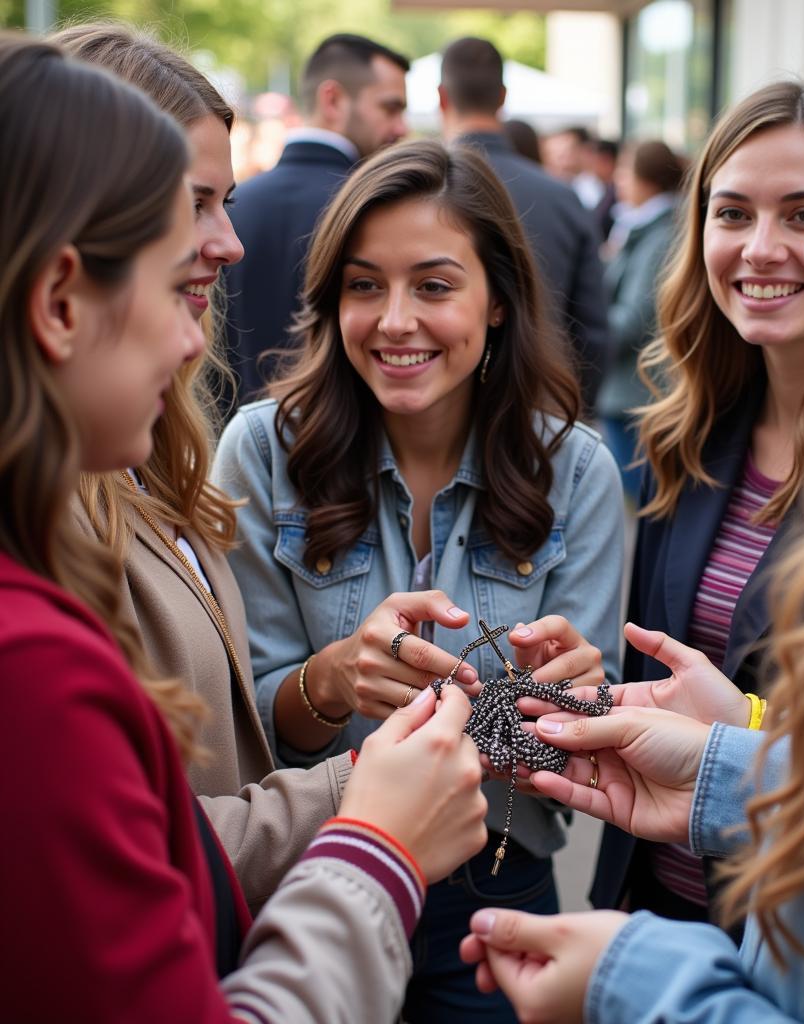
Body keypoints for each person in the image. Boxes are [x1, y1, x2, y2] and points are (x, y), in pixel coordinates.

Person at [461, 0, 804, 1020]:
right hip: (685, 911)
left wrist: (642, 973)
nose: (794, 249)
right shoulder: (683, 442)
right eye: (731, 212)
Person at [0, 34, 487, 1023]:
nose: (222, 257)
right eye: (180, 224)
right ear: (58, 297)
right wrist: (371, 825)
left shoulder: (148, 457)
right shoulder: (33, 658)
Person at [212, 139, 624, 1021]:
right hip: (311, 875)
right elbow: (245, 719)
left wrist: (578, 707)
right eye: (365, 286)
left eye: (434, 286)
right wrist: (325, 682)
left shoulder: (576, 470)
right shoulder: (259, 450)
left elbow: (594, 730)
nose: (395, 320)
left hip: (498, 895)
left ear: (500, 300)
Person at [54, 23, 360, 911]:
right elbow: (136, 844)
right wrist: (365, 797)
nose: (228, 241)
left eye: (225, 200)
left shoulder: (152, 451)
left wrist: (328, 679)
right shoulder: (42, 506)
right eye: (195, 203)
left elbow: (216, 739)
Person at [591, 79, 804, 920]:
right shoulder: (688, 435)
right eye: (732, 214)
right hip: (659, 916)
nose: (760, 248)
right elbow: (666, 679)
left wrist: (745, 723)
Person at [222, 33, 410, 414]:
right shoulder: (373, 212)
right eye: (390, 108)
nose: (401, 128)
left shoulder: (231, 207)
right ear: (333, 99)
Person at [438, 37, 609, 414]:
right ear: (502, 97)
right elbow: (593, 329)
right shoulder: (562, 197)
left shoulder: (419, 197)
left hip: (436, 417)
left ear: (442, 97)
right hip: (540, 414)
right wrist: (571, 416)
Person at [596, 139, 686, 501]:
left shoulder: (659, 237)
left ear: (647, 180)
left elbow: (635, 318)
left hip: (637, 391)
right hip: (630, 388)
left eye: (624, 172)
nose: (618, 180)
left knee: (643, 504)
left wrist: (589, 335)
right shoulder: (643, 228)